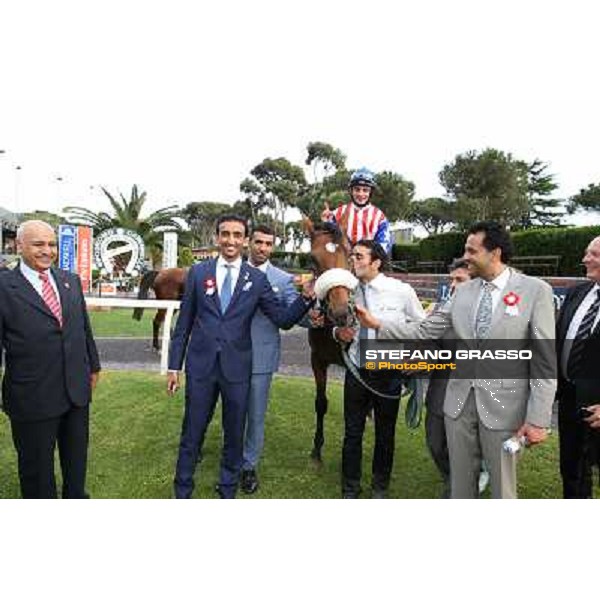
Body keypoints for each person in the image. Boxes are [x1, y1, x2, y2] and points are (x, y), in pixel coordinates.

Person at [355, 221, 557, 499]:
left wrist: (538, 419)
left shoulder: (536, 291)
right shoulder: (463, 291)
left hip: (504, 408)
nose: (466, 257)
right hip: (458, 405)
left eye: (472, 251)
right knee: (460, 486)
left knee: (502, 489)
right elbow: (424, 329)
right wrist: (376, 324)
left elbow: (545, 361)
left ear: (494, 253)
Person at [167, 214, 315, 499]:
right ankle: (182, 490)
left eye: (237, 235)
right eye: (225, 234)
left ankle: (227, 490)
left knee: (234, 436)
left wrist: (306, 298)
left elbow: (283, 320)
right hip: (200, 367)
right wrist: (174, 366)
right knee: (192, 433)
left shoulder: (257, 280)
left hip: (237, 369)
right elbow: (183, 324)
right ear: (216, 237)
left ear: (244, 240)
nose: (231, 240)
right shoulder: (198, 273)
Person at [0, 220, 100, 499]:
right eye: (38, 244)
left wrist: (93, 365)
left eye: (52, 244)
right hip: (32, 396)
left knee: (76, 460)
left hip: (76, 392)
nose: (47, 250)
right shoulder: (5, 286)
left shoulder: (70, 280)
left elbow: (83, 328)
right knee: (37, 471)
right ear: (18, 246)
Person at [334, 240, 425, 498]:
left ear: (376, 262)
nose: (353, 260)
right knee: (352, 433)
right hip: (356, 371)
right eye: (352, 256)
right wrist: (337, 333)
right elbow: (338, 325)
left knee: (385, 434)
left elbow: (421, 328)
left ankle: (379, 487)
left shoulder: (401, 291)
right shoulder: (347, 290)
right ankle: (350, 487)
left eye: (359, 256)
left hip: (388, 370)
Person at [240, 224, 298, 494]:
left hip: (261, 358)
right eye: (258, 242)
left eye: (268, 244)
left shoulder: (283, 279)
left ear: (272, 247)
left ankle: (248, 466)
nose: (263, 248)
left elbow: (296, 314)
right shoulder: (231, 271)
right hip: (226, 355)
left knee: (255, 415)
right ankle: (229, 458)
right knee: (228, 411)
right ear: (249, 243)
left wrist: (318, 308)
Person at [556, 235, 600, 498]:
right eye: (586, 253)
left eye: (593, 254)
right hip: (570, 399)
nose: (585, 259)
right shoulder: (576, 293)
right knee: (572, 469)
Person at [321, 167, 392, 255]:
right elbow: (329, 240)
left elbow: (385, 245)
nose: (361, 194)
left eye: (365, 190)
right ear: (351, 191)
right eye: (357, 189)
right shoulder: (338, 212)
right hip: (343, 261)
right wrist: (326, 222)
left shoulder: (379, 217)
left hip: (368, 263)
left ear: (371, 192)